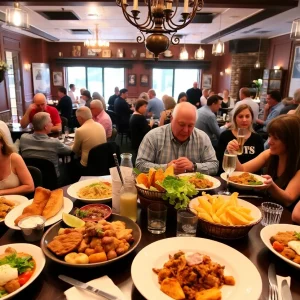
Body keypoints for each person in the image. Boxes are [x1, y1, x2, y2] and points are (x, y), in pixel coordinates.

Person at [227, 114, 300, 207]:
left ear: (290, 141)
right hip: (265, 206)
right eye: (269, 136)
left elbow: (288, 200)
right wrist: (233, 153)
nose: (269, 142)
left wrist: (271, 186)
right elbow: (241, 170)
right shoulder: (269, 154)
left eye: (276, 138)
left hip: (285, 216)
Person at [136, 102, 218, 175]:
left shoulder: (202, 138)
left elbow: (214, 166)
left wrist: (194, 166)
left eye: (190, 126)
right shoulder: (153, 136)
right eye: (181, 124)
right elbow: (140, 165)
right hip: (161, 190)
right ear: (172, 119)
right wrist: (166, 168)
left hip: (194, 190)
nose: (186, 130)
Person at [20, 112, 72, 183]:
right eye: (50, 122)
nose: (52, 124)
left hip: (31, 178)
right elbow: (69, 151)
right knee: (68, 167)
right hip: (52, 180)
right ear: (45, 127)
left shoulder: (23, 138)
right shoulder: (54, 142)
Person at [217, 104, 264, 174]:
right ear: (235, 118)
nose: (244, 120)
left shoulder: (257, 139)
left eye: (247, 116)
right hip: (229, 175)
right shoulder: (225, 136)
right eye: (240, 116)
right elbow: (219, 162)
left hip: (249, 179)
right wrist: (228, 150)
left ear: (252, 118)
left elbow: (260, 166)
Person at [0, 130, 34, 196]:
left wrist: (2, 192)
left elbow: (30, 187)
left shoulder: (14, 158)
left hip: (18, 203)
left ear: (1, 143)